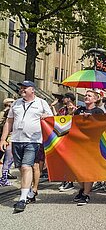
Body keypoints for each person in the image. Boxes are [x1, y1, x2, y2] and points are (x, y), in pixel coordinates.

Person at [0, 80, 53, 213]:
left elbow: (52, 119)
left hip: (34, 140)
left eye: (25, 88)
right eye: (21, 88)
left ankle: (22, 199)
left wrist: (47, 116)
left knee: (26, 166)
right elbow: (9, 121)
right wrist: (3, 138)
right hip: (17, 140)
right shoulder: (16, 103)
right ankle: (29, 191)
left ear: (32, 90)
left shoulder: (41, 103)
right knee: (21, 167)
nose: (21, 90)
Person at [73, 90, 104, 206]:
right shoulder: (79, 110)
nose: (86, 97)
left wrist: (92, 118)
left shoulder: (98, 111)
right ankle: (82, 189)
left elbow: (102, 125)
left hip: (91, 144)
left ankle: (86, 194)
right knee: (77, 170)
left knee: (87, 170)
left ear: (95, 99)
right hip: (78, 144)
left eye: (89, 96)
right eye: (85, 95)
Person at [51, 92, 77, 192]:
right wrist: (52, 106)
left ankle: (69, 181)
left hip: (71, 138)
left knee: (69, 160)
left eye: (64, 98)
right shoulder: (62, 109)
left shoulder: (75, 109)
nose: (62, 100)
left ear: (69, 99)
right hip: (62, 137)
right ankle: (65, 180)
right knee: (63, 160)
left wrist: (71, 113)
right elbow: (55, 118)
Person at [0, 98, 16, 186]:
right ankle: (3, 178)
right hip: (10, 139)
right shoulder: (8, 116)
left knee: (7, 160)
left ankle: (4, 178)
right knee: (8, 160)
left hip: (8, 139)